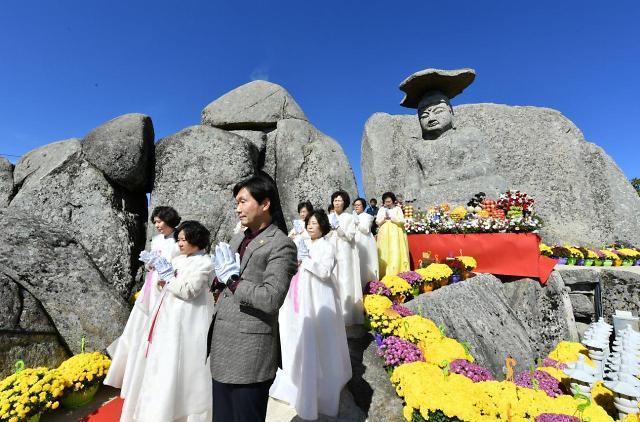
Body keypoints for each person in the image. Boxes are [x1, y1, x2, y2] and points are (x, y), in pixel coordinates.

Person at [208, 171, 298, 422]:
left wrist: (234, 281)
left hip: (250, 352)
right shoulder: (239, 237)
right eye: (236, 202)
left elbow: (271, 298)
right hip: (223, 344)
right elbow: (224, 278)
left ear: (265, 203)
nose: (237, 208)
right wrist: (217, 278)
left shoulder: (280, 244)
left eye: (243, 201)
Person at [120, 220, 215, 422]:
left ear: (195, 240)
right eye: (178, 239)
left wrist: (169, 278)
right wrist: (162, 281)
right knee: (163, 361)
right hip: (169, 317)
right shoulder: (179, 259)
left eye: (183, 239)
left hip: (190, 320)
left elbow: (188, 291)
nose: (179, 244)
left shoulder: (204, 262)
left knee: (183, 362)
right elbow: (165, 287)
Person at [270, 209, 351, 420]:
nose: (311, 225)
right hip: (298, 296)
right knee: (296, 335)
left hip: (319, 298)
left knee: (319, 338)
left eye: (315, 222)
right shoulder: (301, 242)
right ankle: (298, 377)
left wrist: (307, 261)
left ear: (323, 225)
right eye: (309, 222)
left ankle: (321, 384)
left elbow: (325, 272)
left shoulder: (328, 245)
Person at [105, 206, 181, 392]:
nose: (157, 225)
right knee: (138, 325)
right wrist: (149, 265)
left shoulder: (177, 243)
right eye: (154, 222)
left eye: (159, 221)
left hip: (165, 286)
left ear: (169, 220)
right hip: (150, 286)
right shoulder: (155, 240)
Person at [327, 190, 363, 326]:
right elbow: (325, 236)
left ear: (345, 202)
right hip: (331, 250)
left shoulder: (349, 217)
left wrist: (338, 229)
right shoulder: (329, 217)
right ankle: (333, 311)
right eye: (335, 200)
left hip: (345, 251)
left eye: (339, 200)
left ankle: (346, 314)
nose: (337, 202)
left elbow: (350, 236)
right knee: (332, 278)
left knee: (345, 279)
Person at [376, 192, 410, 278]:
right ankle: (384, 273)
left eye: (389, 201)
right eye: (386, 202)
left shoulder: (397, 209)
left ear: (393, 201)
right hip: (384, 232)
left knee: (395, 250)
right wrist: (384, 218)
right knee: (384, 251)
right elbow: (377, 221)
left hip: (395, 232)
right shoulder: (381, 209)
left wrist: (392, 218)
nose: (387, 203)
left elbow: (402, 220)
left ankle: (397, 272)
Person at [352, 198, 379, 286]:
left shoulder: (368, 216)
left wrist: (357, 223)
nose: (356, 207)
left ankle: (369, 284)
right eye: (355, 205)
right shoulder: (352, 216)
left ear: (363, 206)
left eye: (358, 205)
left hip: (365, 241)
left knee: (366, 262)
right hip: (355, 240)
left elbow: (366, 229)